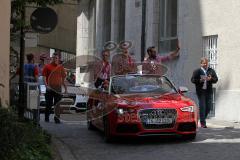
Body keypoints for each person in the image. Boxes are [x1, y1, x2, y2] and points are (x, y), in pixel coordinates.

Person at [191, 57, 218, 128]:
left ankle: (202, 118)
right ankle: (203, 123)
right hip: (201, 91)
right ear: (201, 64)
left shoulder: (211, 70)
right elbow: (193, 80)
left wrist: (210, 79)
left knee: (209, 107)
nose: (205, 64)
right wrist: (200, 80)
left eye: (206, 63)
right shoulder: (197, 71)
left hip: (209, 91)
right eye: (203, 63)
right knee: (202, 106)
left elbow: (216, 79)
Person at [42, 53, 67, 123]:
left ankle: (57, 119)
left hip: (58, 88)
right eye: (53, 58)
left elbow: (63, 78)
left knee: (57, 105)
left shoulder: (61, 67)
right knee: (48, 104)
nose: (55, 59)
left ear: (58, 59)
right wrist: (46, 86)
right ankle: (46, 117)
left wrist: (65, 88)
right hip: (50, 88)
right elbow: (44, 77)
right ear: (51, 58)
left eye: (56, 58)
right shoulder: (47, 67)